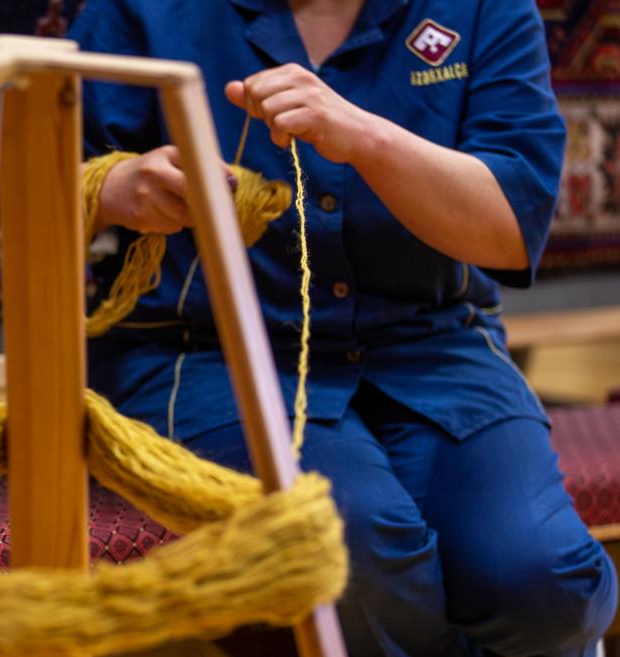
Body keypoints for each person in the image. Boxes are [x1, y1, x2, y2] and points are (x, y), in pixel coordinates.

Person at [68, 0, 618, 655]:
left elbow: (508, 225)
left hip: (434, 347)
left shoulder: (485, 8)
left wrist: (364, 136)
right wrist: (117, 186)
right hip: (206, 352)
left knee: (546, 583)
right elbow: (25, 186)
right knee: (347, 547)